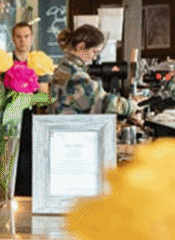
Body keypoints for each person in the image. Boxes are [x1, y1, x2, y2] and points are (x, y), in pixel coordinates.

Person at [50, 25, 137, 117]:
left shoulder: (66, 66)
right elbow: (102, 103)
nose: (94, 57)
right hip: (72, 126)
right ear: (80, 46)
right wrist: (131, 106)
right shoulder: (75, 74)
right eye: (94, 52)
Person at [9, 22, 49, 197]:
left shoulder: (39, 63)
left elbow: (44, 97)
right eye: (19, 37)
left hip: (31, 117)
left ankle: (28, 196)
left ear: (32, 38)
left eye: (26, 36)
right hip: (10, 117)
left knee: (29, 159)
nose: (22, 41)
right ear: (13, 39)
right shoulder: (5, 63)